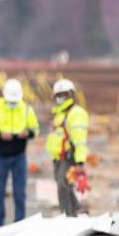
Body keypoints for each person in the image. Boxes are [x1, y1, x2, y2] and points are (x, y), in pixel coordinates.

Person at [0, 79, 39, 226]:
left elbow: (35, 130)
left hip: (19, 155)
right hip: (1, 156)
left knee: (20, 193)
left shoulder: (26, 110)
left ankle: (19, 224)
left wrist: (27, 133)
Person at [46, 79, 90, 217]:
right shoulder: (60, 114)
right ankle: (75, 213)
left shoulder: (76, 113)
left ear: (71, 95)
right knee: (66, 187)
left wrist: (80, 162)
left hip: (70, 157)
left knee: (63, 186)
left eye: (64, 95)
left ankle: (67, 217)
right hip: (59, 158)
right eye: (58, 95)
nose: (60, 98)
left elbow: (80, 140)